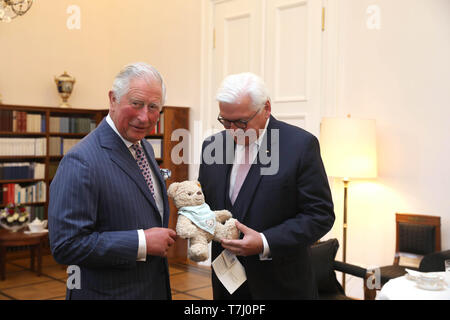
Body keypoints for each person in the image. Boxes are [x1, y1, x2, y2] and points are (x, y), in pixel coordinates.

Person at [198, 72, 335, 299]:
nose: (232, 130)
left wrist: (265, 242)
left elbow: (320, 215)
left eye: (242, 122)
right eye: (225, 121)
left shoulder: (300, 146)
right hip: (226, 287)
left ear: (266, 108)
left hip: (282, 286)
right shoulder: (212, 146)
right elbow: (207, 205)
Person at [49, 62, 177, 300]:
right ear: (113, 99)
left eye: (153, 107)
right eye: (136, 104)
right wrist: (141, 242)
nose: (145, 116)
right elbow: (66, 245)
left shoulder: (145, 147)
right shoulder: (81, 160)